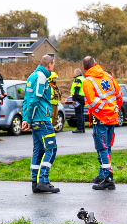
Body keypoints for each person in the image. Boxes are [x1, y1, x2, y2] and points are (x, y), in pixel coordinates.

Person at [80, 56, 122, 190]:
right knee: (107, 146)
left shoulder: (88, 81)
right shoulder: (108, 76)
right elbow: (119, 94)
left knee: (102, 147)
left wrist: (102, 111)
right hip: (112, 117)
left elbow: (92, 102)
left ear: (84, 68)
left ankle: (108, 178)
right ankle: (102, 174)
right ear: (96, 64)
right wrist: (114, 109)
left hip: (100, 118)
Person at [24, 54, 60, 194]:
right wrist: (29, 118)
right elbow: (35, 100)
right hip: (42, 119)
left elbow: (27, 100)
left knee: (38, 150)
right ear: (49, 65)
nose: (53, 68)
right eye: (53, 65)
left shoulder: (32, 76)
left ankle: (35, 182)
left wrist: (26, 118)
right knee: (51, 149)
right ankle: (43, 180)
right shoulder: (41, 77)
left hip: (35, 119)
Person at [68, 68, 87, 133]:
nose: (74, 74)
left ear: (77, 73)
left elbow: (76, 89)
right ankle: (82, 127)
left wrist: (74, 99)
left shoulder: (78, 80)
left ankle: (80, 128)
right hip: (82, 97)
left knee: (78, 113)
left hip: (78, 98)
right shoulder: (83, 79)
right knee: (81, 113)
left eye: (74, 72)